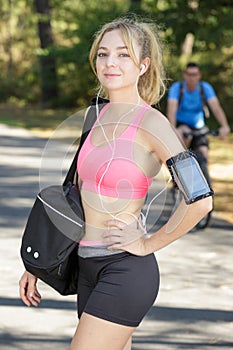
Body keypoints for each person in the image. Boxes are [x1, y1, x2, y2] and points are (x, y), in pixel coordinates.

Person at [19, 17, 213, 350]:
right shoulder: (95, 115)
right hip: (87, 267)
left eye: (123, 54)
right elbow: (73, 195)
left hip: (125, 269)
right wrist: (39, 261)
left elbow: (200, 199)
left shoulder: (153, 123)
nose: (110, 62)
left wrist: (148, 243)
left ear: (143, 65)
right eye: (103, 54)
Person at [167, 62, 230, 167]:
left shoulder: (205, 88)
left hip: (199, 128)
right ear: (184, 75)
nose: (192, 78)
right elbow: (171, 110)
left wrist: (224, 126)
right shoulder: (177, 88)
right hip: (182, 126)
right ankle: (179, 178)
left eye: (194, 75)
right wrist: (174, 130)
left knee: (204, 153)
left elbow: (216, 107)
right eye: (189, 74)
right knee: (183, 153)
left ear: (199, 75)